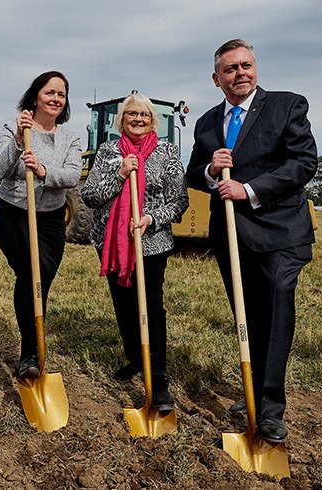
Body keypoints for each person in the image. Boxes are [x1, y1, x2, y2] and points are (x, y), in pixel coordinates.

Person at [185, 39, 317, 444]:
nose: (240, 73)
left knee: (276, 309)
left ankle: (270, 409)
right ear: (216, 78)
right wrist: (211, 169)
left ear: (255, 69)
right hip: (231, 237)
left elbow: (303, 163)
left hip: (280, 232)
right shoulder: (207, 122)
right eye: (231, 69)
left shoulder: (287, 105)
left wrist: (250, 190)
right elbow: (194, 174)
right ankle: (251, 394)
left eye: (246, 66)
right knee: (250, 317)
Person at [81, 93, 188, 412]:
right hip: (111, 242)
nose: (138, 118)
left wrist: (151, 218)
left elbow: (179, 200)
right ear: (121, 120)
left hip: (151, 242)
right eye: (131, 114)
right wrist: (119, 176)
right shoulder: (108, 151)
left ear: (153, 120)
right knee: (124, 304)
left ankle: (157, 379)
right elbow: (89, 196)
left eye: (144, 114)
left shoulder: (167, 152)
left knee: (151, 306)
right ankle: (134, 358)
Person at [0, 71, 82, 378]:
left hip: (51, 220)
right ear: (35, 96)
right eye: (50, 93)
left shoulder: (70, 138)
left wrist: (43, 170)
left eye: (61, 94)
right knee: (30, 273)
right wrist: (18, 140)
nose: (56, 99)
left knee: (41, 278)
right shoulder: (14, 127)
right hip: (12, 213)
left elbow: (72, 176)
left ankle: (31, 349)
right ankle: (29, 353)